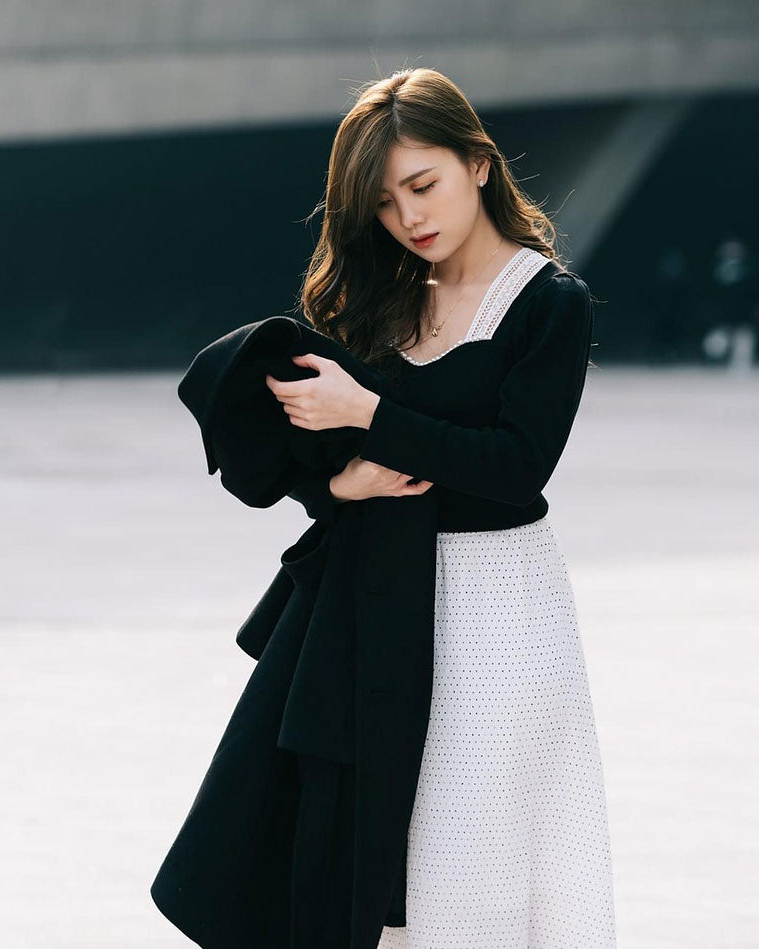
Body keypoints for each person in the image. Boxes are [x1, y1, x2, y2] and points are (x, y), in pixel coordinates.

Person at [265, 67, 617, 947]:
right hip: (379, 605)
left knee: (476, 860)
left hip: (499, 614)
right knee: (381, 859)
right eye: (384, 203)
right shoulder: (380, 300)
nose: (408, 217)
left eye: (422, 185)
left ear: (478, 163)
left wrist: (372, 414)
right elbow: (308, 447)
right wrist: (334, 482)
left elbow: (514, 466)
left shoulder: (547, 305)